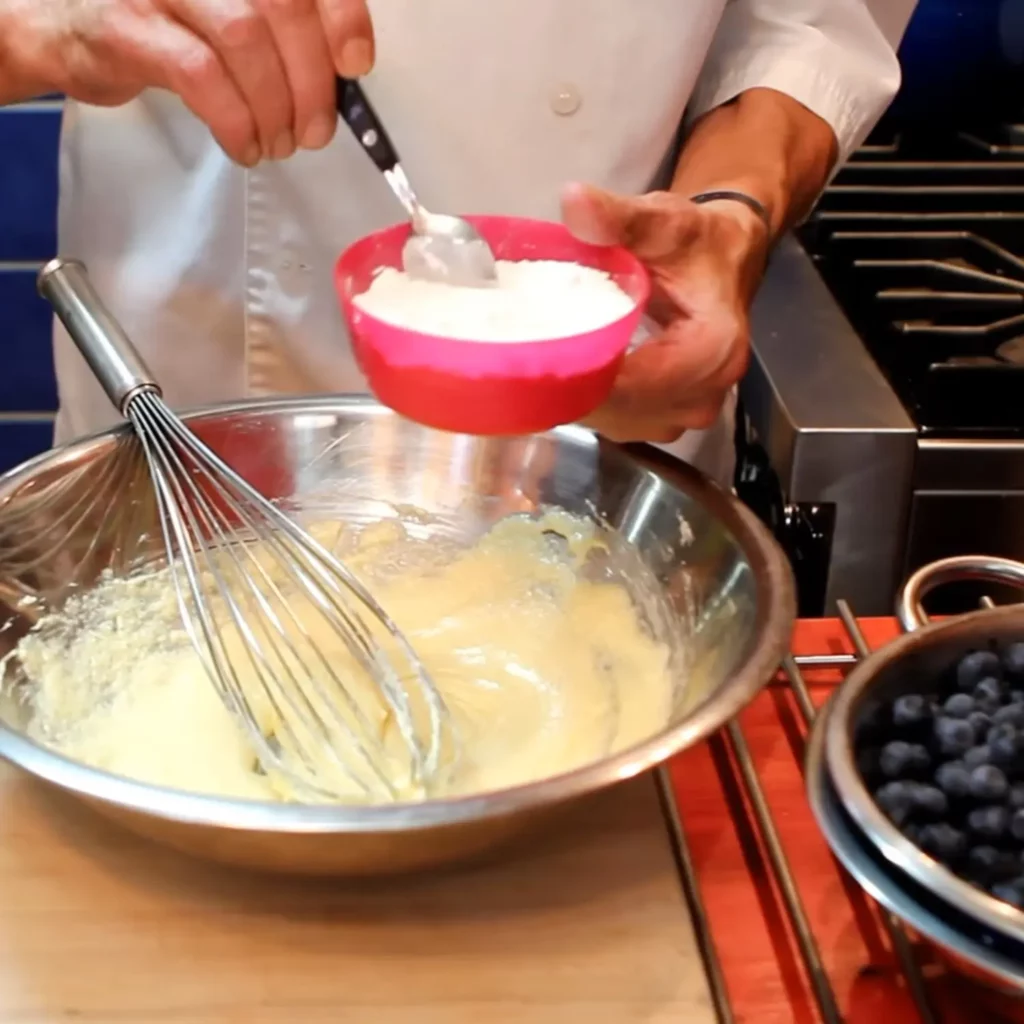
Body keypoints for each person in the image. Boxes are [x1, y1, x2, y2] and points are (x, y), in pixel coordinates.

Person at [0, 0, 918, 485]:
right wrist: (50, 23)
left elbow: (808, 31)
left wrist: (731, 212)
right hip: (183, 437)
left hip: (599, 445)